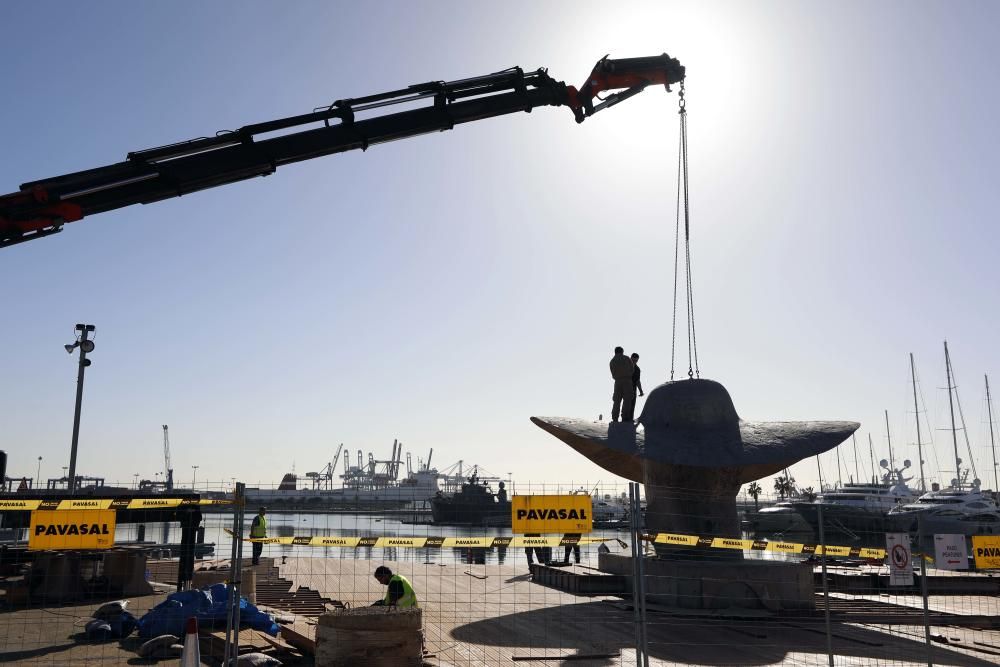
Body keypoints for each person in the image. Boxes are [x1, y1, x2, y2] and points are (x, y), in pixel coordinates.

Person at [609, 346, 634, 422]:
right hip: (627, 380)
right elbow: (632, 369)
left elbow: (612, 372)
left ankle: (615, 417)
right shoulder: (627, 358)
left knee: (617, 400)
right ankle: (625, 417)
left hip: (617, 382)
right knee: (627, 400)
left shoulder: (612, 361)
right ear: (622, 351)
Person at [623, 353, 644, 421]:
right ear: (631, 358)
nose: (635, 362)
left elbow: (638, 381)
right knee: (626, 403)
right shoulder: (625, 366)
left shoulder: (637, 369)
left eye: (636, 361)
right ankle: (624, 418)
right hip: (625, 387)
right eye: (633, 360)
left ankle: (630, 418)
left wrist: (641, 390)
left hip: (633, 389)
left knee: (632, 404)